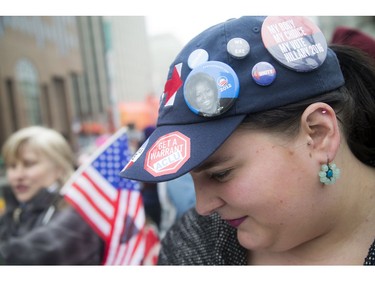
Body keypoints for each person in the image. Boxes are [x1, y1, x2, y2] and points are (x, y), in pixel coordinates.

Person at [120, 16, 375, 265]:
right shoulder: (194, 244)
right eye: (191, 176)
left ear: (318, 133)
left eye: (221, 174)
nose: (203, 207)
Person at [0, 126, 104, 264]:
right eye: (12, 166)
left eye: (29, 164)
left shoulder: (76, 214)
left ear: (59, 167)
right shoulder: (15, 211)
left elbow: (31, 255)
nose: (17, 175)